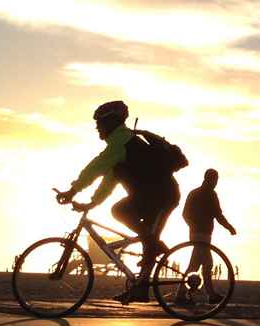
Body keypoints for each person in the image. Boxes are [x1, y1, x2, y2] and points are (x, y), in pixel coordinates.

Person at [57, 100, 180, 303]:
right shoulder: (120, 146)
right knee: (147, 238)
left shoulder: (122, 142)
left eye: (100, 123)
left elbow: (96, 167)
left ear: (111, 122)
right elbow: (109, 181)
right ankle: (141, 288)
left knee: (121, 212)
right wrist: (91, 203)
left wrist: (73, 190)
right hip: (150, 196)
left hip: (162, 196)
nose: (97, 127)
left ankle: (152, 247)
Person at [175, 168, 236, 305]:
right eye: (215, 179)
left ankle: (209, 294)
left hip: (199, 234)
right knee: (197, 265)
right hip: (201, 234)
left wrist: (192, 226)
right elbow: (218, 215)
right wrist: (229, 227)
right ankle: (182, 294)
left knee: (205, 264)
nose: (216, 182)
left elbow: (185, 214)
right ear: (210, 179)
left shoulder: (195, 193)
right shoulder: (209, 194)